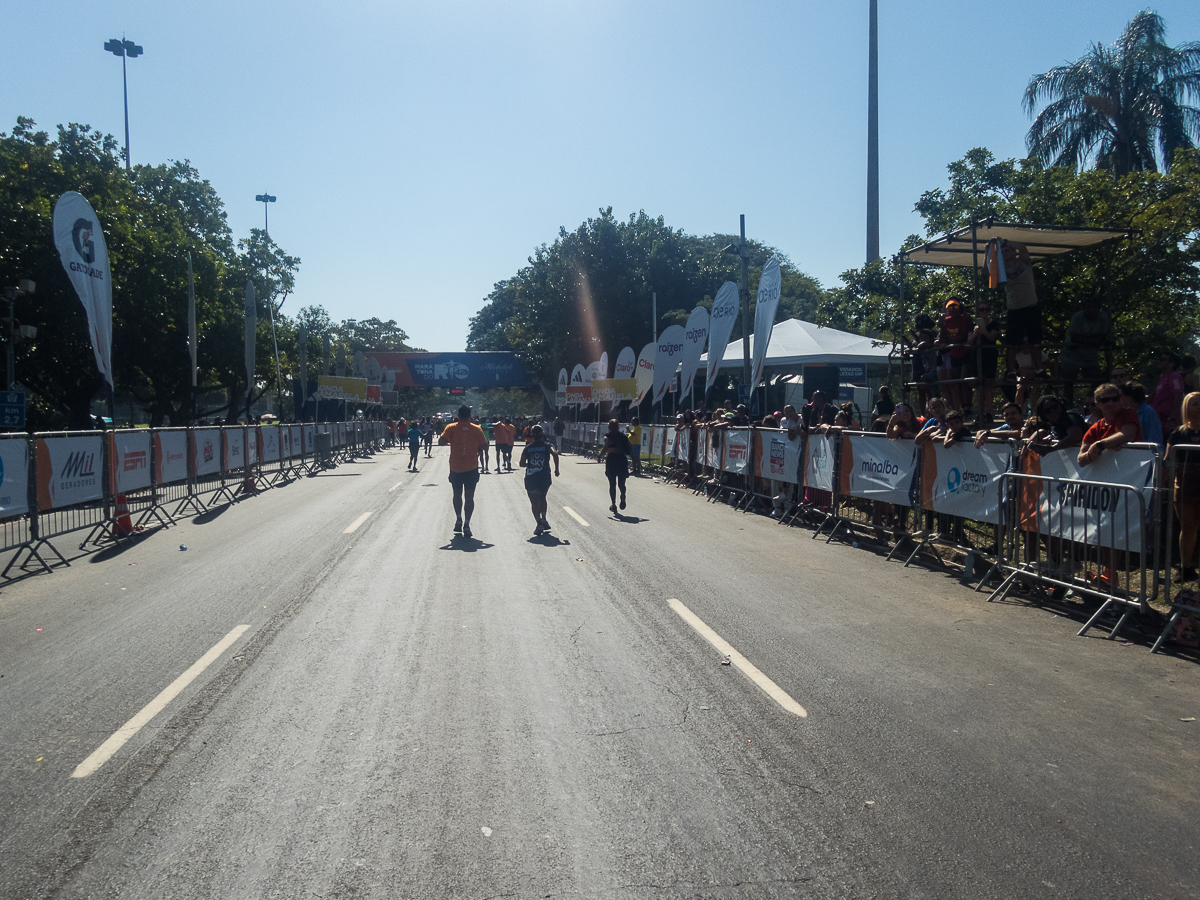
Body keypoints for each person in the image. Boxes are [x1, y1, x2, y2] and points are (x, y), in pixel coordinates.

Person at [438, 405, 489, 538]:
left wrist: (452, 441)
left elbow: (441, 442)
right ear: (470, 416)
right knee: (469, 497)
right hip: (471, 468)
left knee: (457, 494)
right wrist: (477, 447)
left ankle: (459, 518)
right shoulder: (477, 429)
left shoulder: (451, 428)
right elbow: (485, 446)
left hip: (455, 467)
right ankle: (466, 523)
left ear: (458, 416)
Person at [1166, 392, 1200, 583]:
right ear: (1186, 407)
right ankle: (1185, 567)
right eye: (1193, 404)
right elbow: (1168, 460)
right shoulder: (1177, 433)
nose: (1197, 407)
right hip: (1185, 485)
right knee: (1187, 527)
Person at [1058, 296, 1111, 407]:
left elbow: (1103, 338)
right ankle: (1068, 407)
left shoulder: (1103, 317)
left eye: (1094, 307)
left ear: (1099, 308)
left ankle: (1091, 402)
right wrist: (1093, 341)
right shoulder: (1077, 317)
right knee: (1068, 382)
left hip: (1090, 357)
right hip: (1070, 356)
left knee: (1098, 380)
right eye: (1088, 307)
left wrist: (1086, 341)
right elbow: (1075, 338)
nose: (1091, 310)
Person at [1078, 384, 1142, 467]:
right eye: (1105, 400)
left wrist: (1100, 445)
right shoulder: (1095, 428)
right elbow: (1081, 460)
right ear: (1097, 403)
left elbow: (1128, 435)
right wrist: (1099, 450)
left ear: (1120, 400)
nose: (1110, 403)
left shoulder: (1129, 414)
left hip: (1136, 471)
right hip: (1109, 475)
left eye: (1115, 399)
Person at [519, 424, 560, 535]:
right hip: (544, 476)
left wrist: (531, 464)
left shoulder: (528, 448)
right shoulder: (547, 445)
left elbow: (521, 463)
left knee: (534, 501)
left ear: (532, 434)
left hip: (531, 477)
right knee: (542, 497)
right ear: (542, 433)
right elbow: (555, 453)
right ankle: (544, 518)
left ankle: (539, 522)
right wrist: (556, 469)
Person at [937, 298, 974, 412]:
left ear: (960, 308)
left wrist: (948, 341)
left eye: (955, 307)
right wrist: (943, 340)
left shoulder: (966, 318)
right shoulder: (946, 321)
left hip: (965, 354)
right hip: (954, 354)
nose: (953, 309)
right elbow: (943, 337)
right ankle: (963, 408)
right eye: (950, 307)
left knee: (965, 381)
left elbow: (963, 336)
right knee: (957, 382)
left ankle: (968, 406)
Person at [597, 418, 633, 513]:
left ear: (609, 427)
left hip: (612, 460)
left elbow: (605, 449)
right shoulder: (623, 436)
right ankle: (623, 496)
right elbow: (630, 446)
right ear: (618, 427)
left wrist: (600, 456)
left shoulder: (608, 437)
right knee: (621, 483)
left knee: (612, 484)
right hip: (621, 460)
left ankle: (613, 504)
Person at [1119, 381, 1164, 449]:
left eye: (1120, 395)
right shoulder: (1125, 413)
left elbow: (1154, 440)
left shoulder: (1149, 412)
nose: (1119, 399)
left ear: (1129, 396)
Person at [1150, 351, 1186, 433]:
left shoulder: (1174, 376)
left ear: (1171, 364)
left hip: (1168, 423)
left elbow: (1178, 398)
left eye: (1162, 360)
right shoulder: (1162, 377)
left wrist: (1171, 419)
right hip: (1158, 421)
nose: (1159, 362)